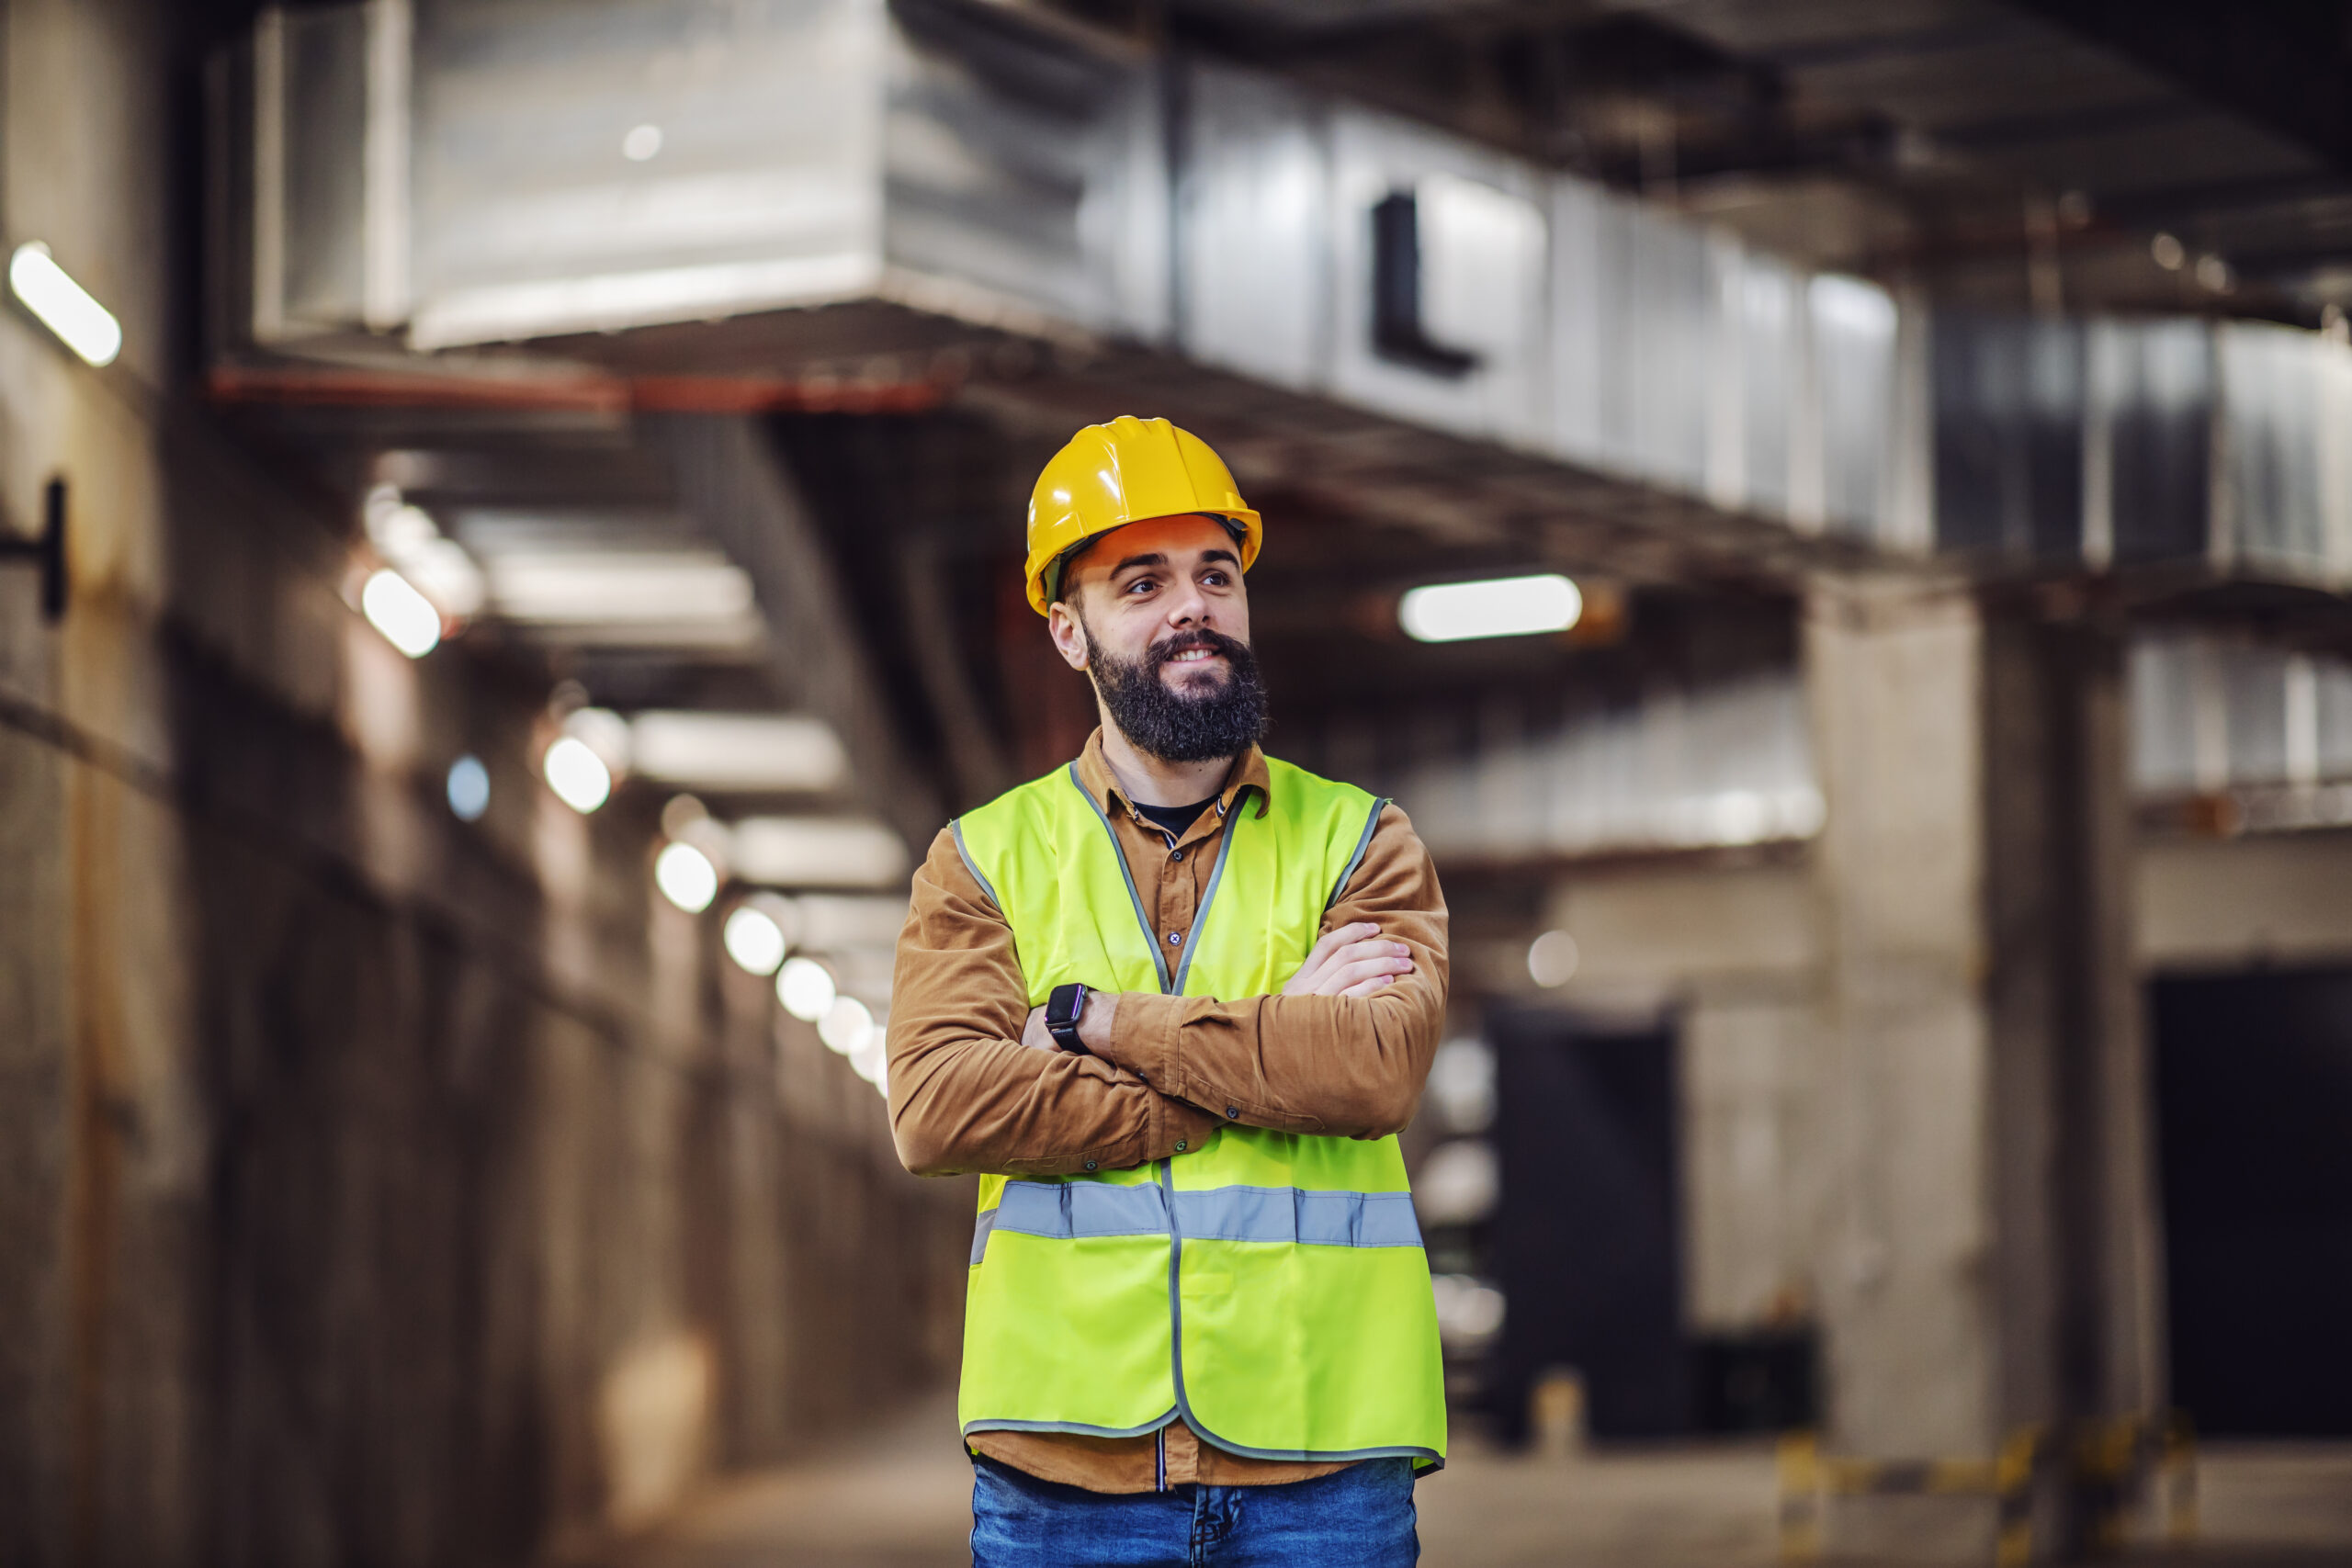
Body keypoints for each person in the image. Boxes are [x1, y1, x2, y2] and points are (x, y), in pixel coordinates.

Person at [887, 415, 1450, 1567]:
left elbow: (1372, 1071)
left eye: (1215, 573)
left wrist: (1090, 1026)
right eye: (1140, 583)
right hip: (1062, 1470)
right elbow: (939, 1109)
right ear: (1067, 631)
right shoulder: (982, 859)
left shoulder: (1361, 842)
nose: (1192, 606)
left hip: (1324, 1464)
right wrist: (1268, 1045)